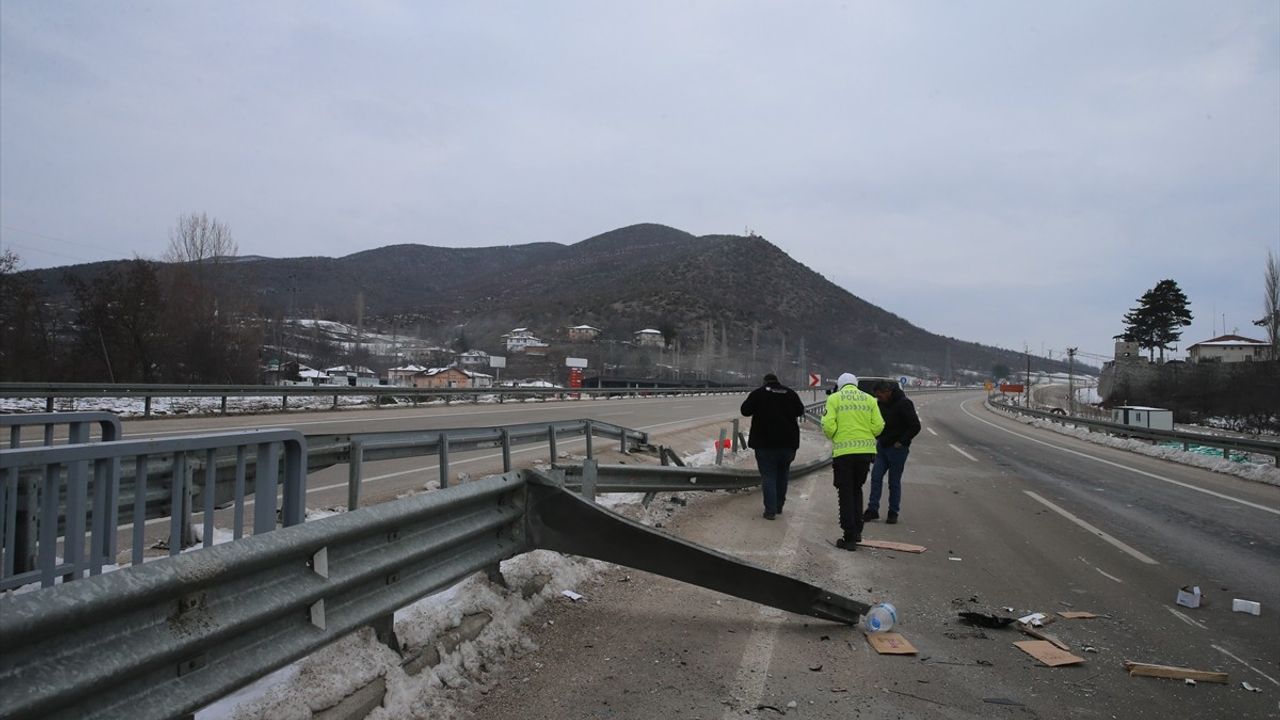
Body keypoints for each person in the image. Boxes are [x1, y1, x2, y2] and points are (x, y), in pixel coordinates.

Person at [821, 372, 885, 550]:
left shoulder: (835, 399)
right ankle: (857, 531)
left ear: (841, 385)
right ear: (855, 384)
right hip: (865, 453)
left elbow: (828, 425)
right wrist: (867, 435)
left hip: (844, 453)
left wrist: (834, 436)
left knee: (845, 492)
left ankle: (848, 536)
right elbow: (879, 426)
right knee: (857, 490)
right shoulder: (870, 400)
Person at [740, 372, 805, 520]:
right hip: (788, 444)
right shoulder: (790, 393)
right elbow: (800, 411)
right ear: (778, 381)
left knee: (768, 476)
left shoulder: (758, 394)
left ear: (764, 382)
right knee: (783, 474)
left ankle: (770, 510)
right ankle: (779, 506)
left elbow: (745, 411)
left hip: (765, 444)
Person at [863, 380, 921, 525]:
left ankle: (893, 512)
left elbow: (915, 426)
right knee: (876, 477)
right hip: (882, 447)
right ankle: (872, 509)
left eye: (880, 396)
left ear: (888, 392)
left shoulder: (904, 404)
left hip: (897, 449)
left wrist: (902, 441)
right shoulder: (880, 404)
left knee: (893, 482)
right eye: (876, 396)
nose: (878, 398)